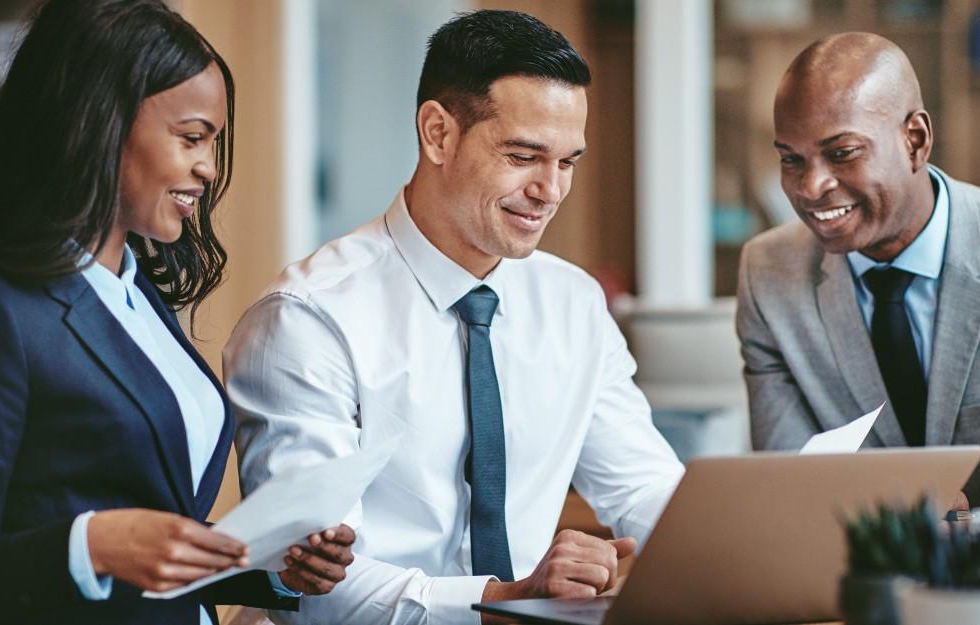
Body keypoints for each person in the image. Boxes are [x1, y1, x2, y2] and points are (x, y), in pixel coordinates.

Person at [0, 1, 353, 623]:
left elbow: (147, 541)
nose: (208, 168)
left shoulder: (138, 297)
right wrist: (95, 544)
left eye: (212, 142)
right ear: (101, 123)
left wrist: (269, 566)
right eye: (191, 138)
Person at [225, 10, 685, 625]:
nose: (550, 190)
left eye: (567, 162)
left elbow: (646, 488)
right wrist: (506, 601)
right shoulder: (307, 320)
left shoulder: (573, 305)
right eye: (524, 155)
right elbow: (314, 585)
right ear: (438, 134)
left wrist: (739, 560)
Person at [737, 32, 980, 509]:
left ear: (915, 141)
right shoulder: (768, 274)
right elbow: (789, 489)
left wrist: (967, 538)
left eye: (842, 153)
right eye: (791, 159)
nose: (810, 186)